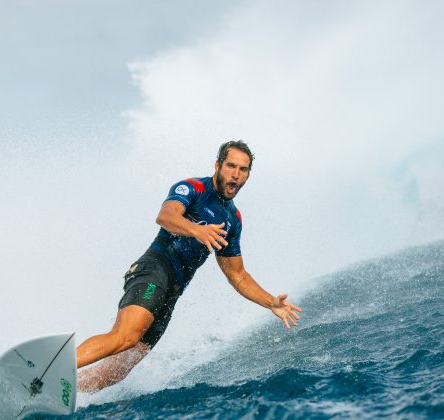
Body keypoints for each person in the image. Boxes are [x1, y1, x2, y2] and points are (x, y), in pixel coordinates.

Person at [75, 140, 302, 392]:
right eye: (231, 166)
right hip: (155, 269)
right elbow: (166, 215)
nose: (236, 175)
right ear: (217, 165)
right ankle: (48, 369)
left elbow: (237, 275)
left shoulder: (232, 220)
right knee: (126, 336)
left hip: (173, 290)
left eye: (243, 170)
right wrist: (197, 230)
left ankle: (66, 390)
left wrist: (271, 302)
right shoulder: (193, 188)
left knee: (122, 367)